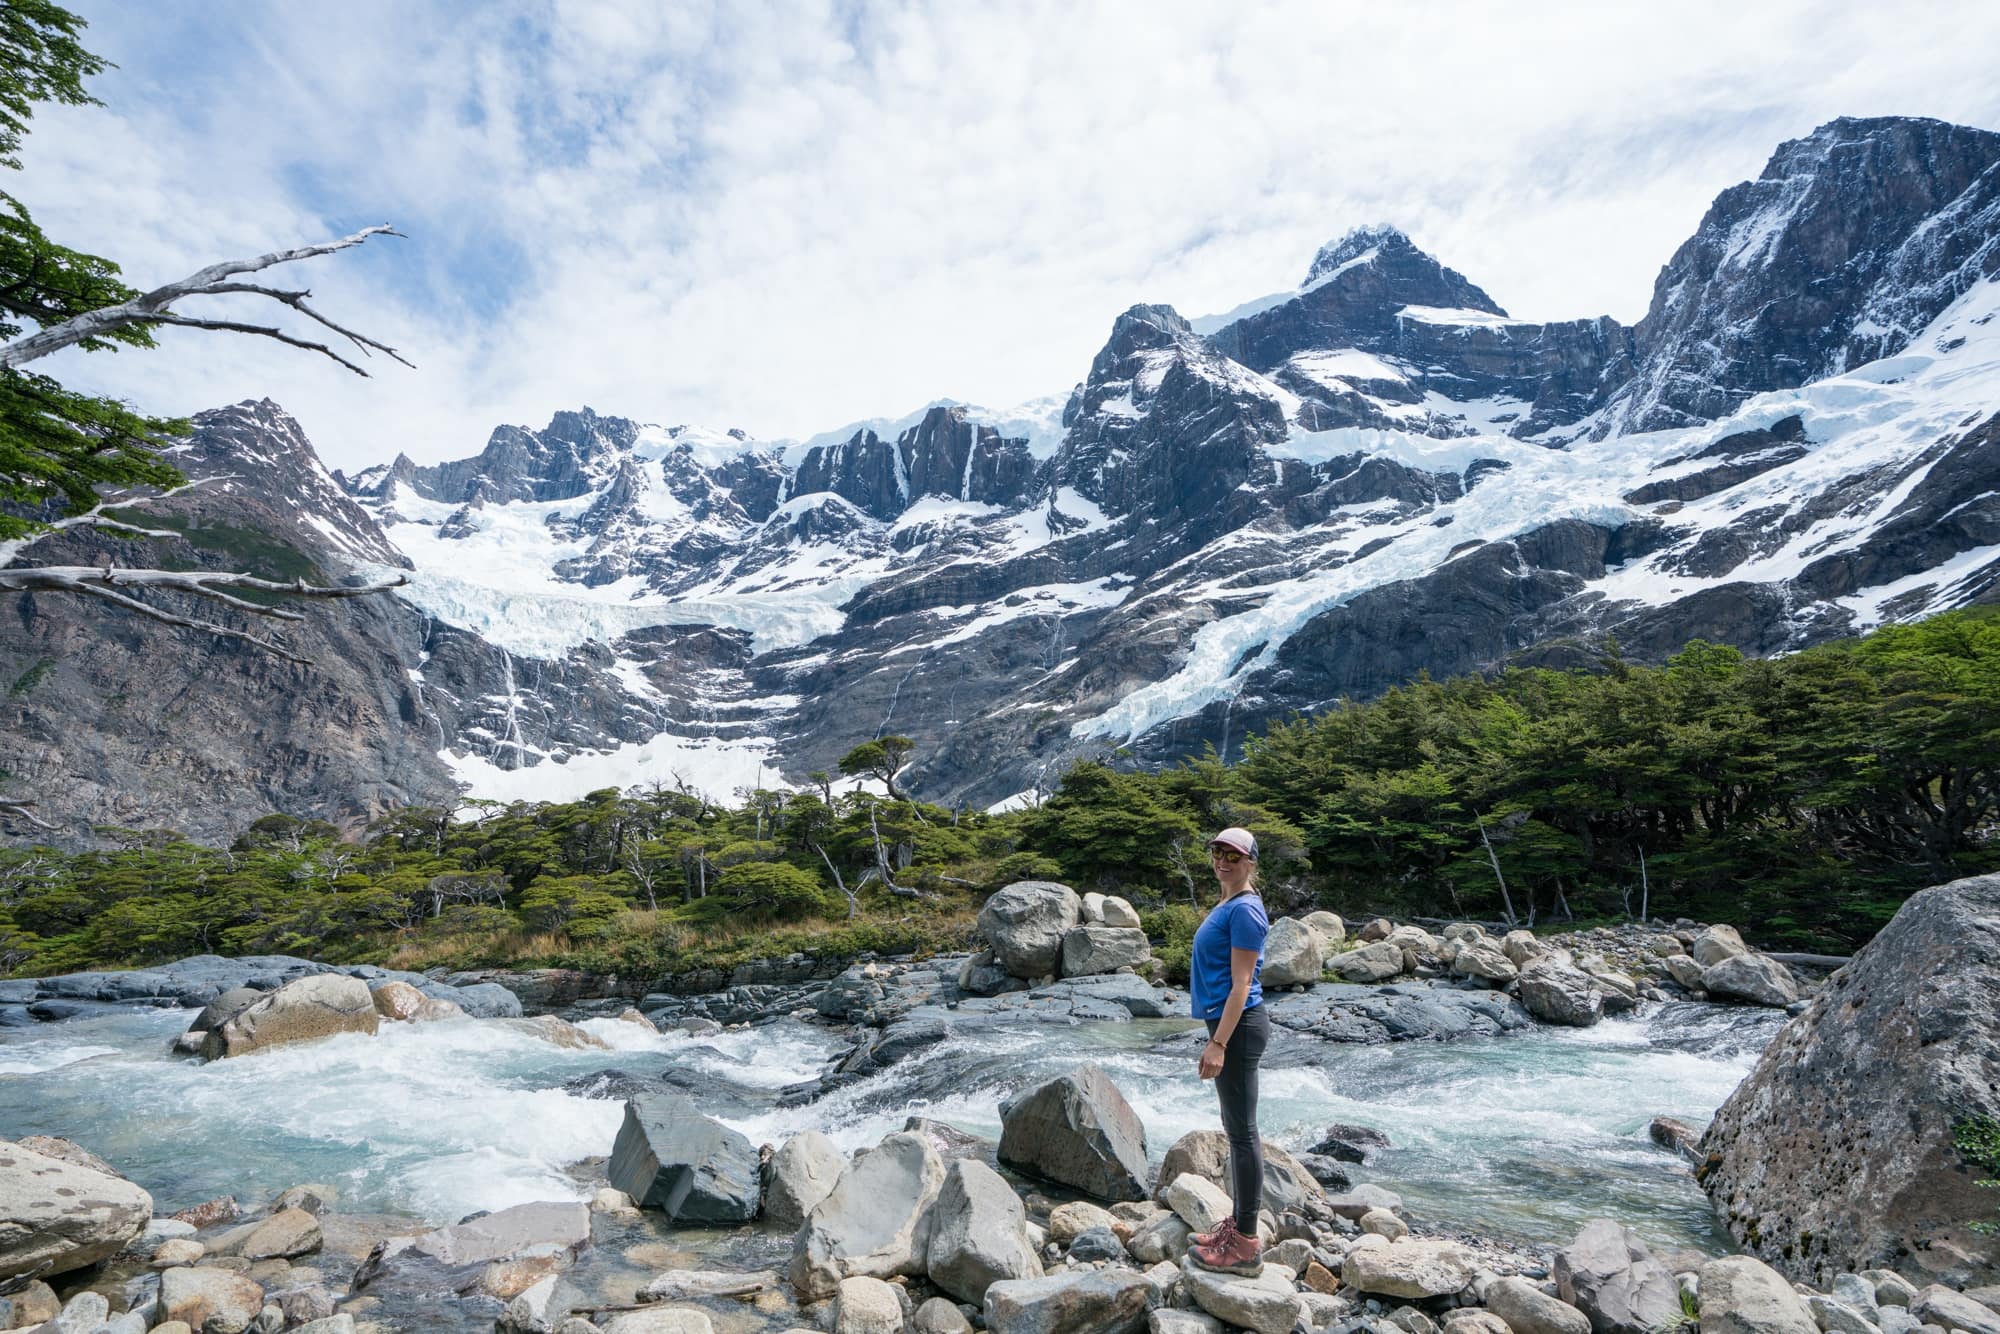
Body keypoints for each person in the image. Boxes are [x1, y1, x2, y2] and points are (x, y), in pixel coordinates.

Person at [1186, 825, 1270, 1277]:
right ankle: (1237, 1227)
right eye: (1218, 852)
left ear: (1250, 862)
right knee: (1236, 1128)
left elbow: (1242, 985)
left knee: (1242, 1134)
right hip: (1228, 1026)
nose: (1223, 860)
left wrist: (1218, 1042)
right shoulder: (1228, 902)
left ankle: (1245, 1245)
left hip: (1236, 1029)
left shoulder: (1245, 911)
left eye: (1233, 855)